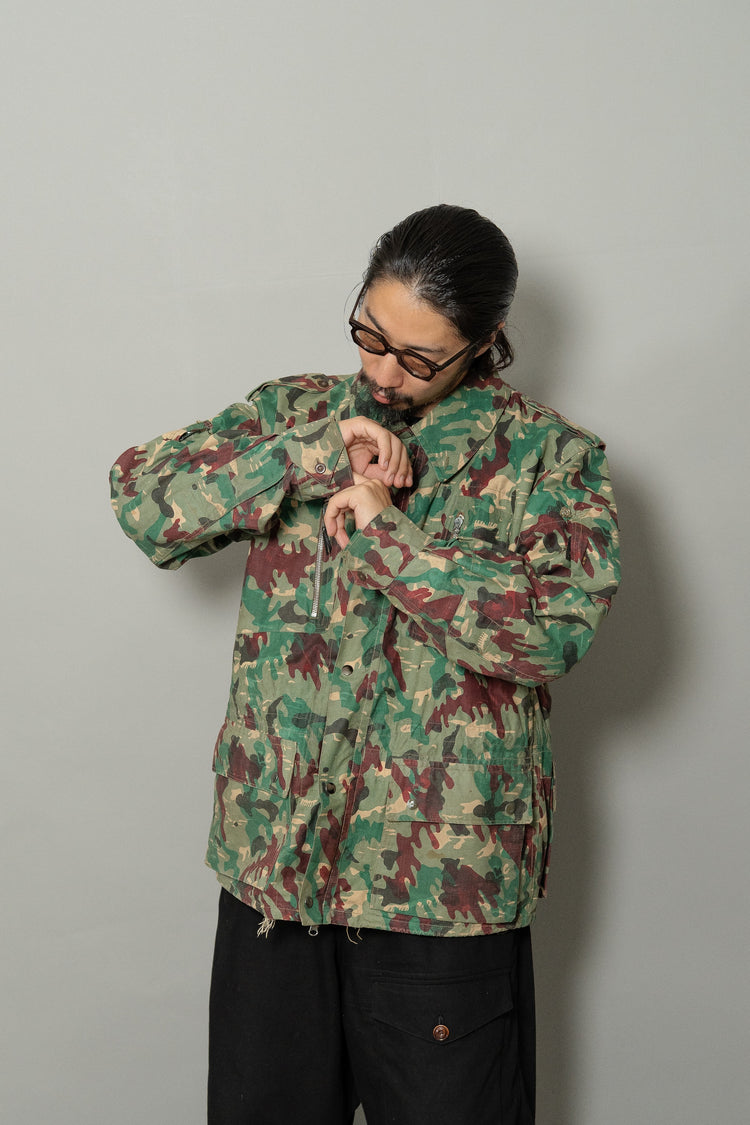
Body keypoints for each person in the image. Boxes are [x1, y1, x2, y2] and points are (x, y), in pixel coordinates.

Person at [110, 204, 620, 1125]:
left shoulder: (549, 457)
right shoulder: (296, 415)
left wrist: (391, 539)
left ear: (485, 342)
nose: (383, 374)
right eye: (370, 335)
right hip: (276, 874)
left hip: (438, 893)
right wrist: (309, 456)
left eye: (419, 358)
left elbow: (553, 632)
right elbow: (145, 502)